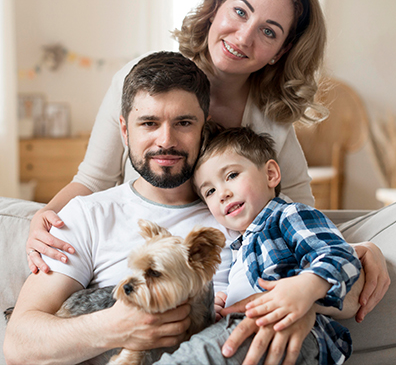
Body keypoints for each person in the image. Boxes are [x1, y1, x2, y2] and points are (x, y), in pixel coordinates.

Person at [26, 0, 388, 341]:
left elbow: (298, 216)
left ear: (281, 51)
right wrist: (45, 216)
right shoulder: (143, 81)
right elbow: (92, 179)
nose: (244, 37)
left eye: (268, 31)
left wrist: (354, 249)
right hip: (144, 260)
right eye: (240, 11)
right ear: (216, 4)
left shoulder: (271, 120)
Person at [5, 52, 316, 365]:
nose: (166, 141)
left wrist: (308, 307)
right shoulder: (87, 216)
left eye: (183, 123)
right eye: (149, 123)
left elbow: (332, 271)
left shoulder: (244, 209)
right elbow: (18, 344)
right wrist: (117, 328)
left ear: (203, 127)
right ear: (125, 131)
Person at [183, 125, 363, 365]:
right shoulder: (239, 245)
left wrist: (307, 286)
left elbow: (340, 254)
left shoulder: (288, 216)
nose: (222, 194)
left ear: (270, 175)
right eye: (210, 191)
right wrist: (219, 305)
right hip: (242, 326)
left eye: (232, 175)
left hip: (295, 332)